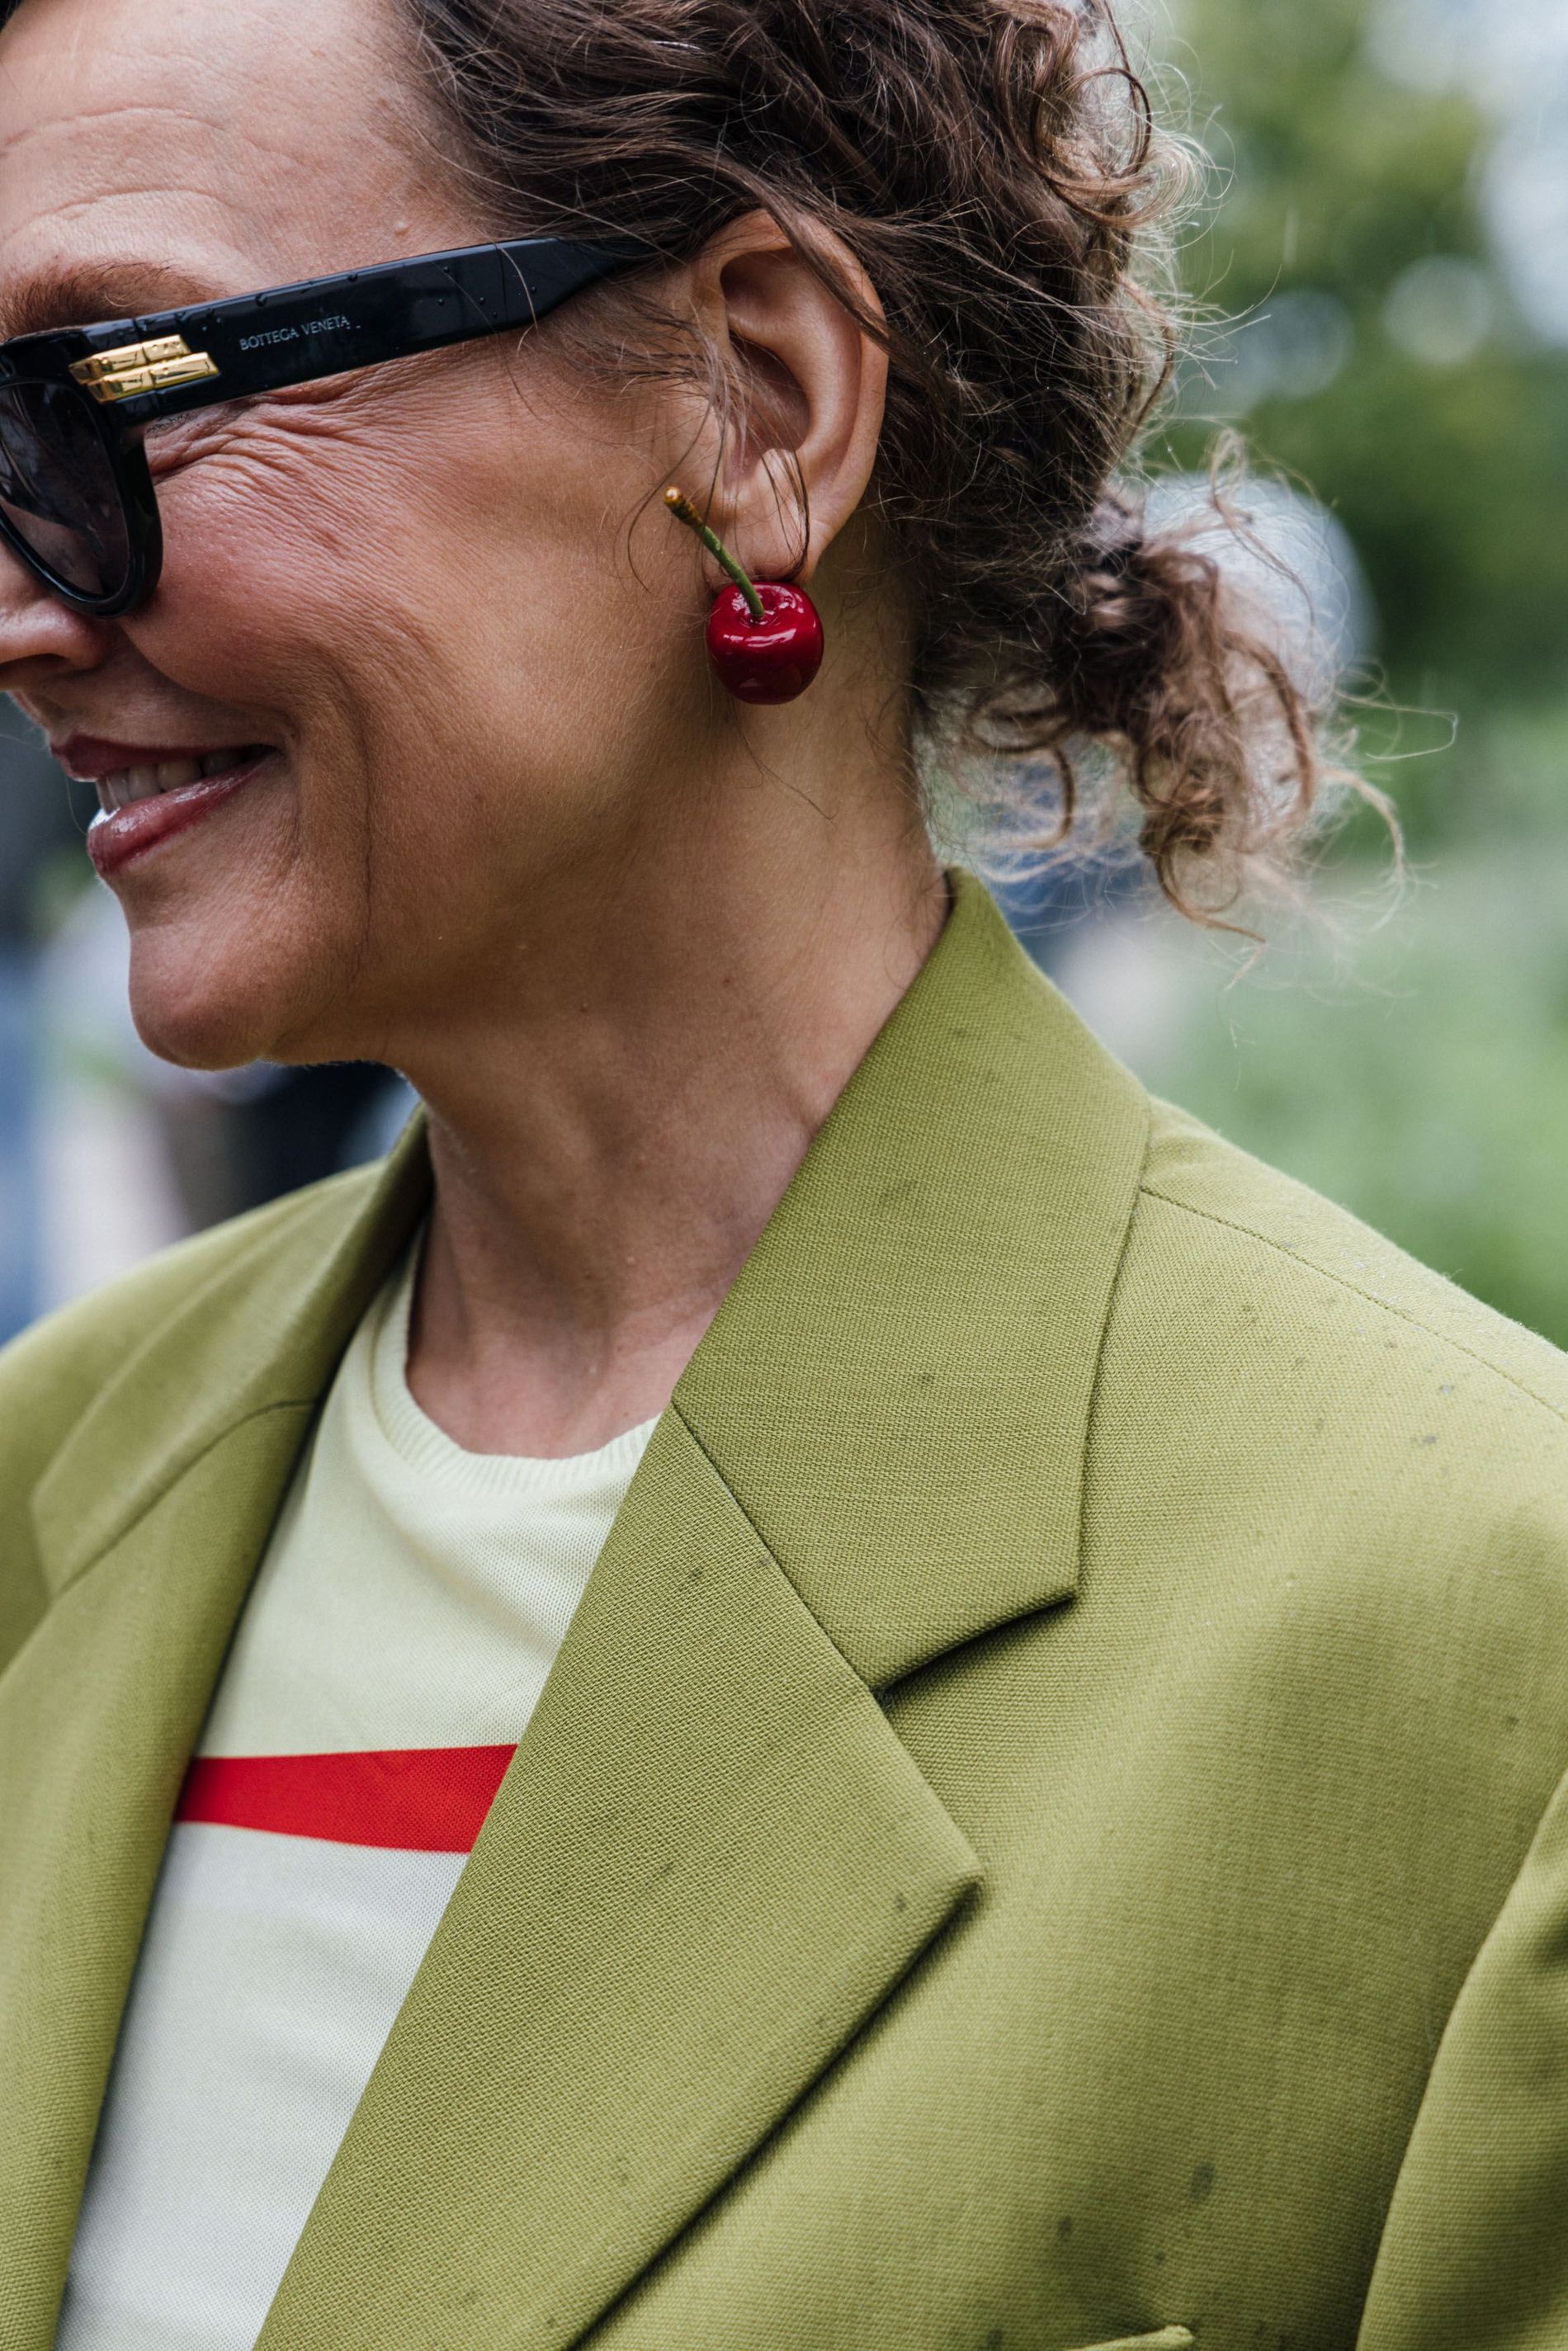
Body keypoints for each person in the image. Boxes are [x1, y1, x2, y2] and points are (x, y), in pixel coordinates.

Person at [0, 0, 1565, 2344]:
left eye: (108, 398)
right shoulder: (48, 1480)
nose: (24, 601)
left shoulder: (1475, 1641)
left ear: (757, 407)